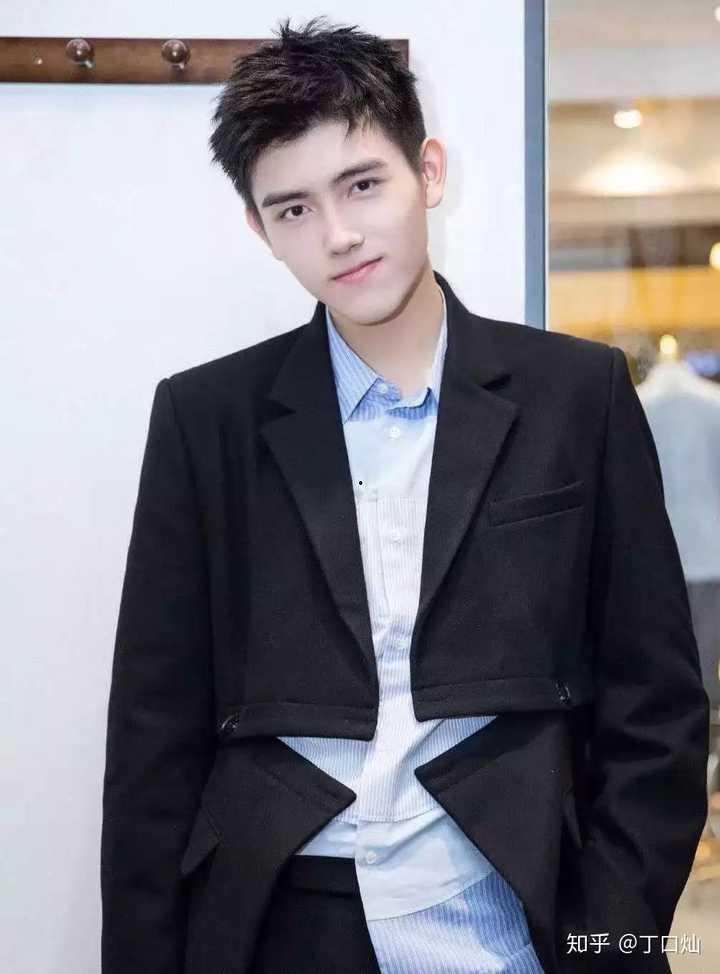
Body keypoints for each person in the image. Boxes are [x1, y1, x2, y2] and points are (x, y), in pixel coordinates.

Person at [100, 15, 710, 974]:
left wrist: (609, 940)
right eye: (293, 209)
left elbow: (657, 710)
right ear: (259, 228)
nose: (338, 235)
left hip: (508, 913)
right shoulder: (204, 417)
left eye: (362, 184)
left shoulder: (576, 394)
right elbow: (153, 740)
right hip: (282, 921)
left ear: (428, 172)